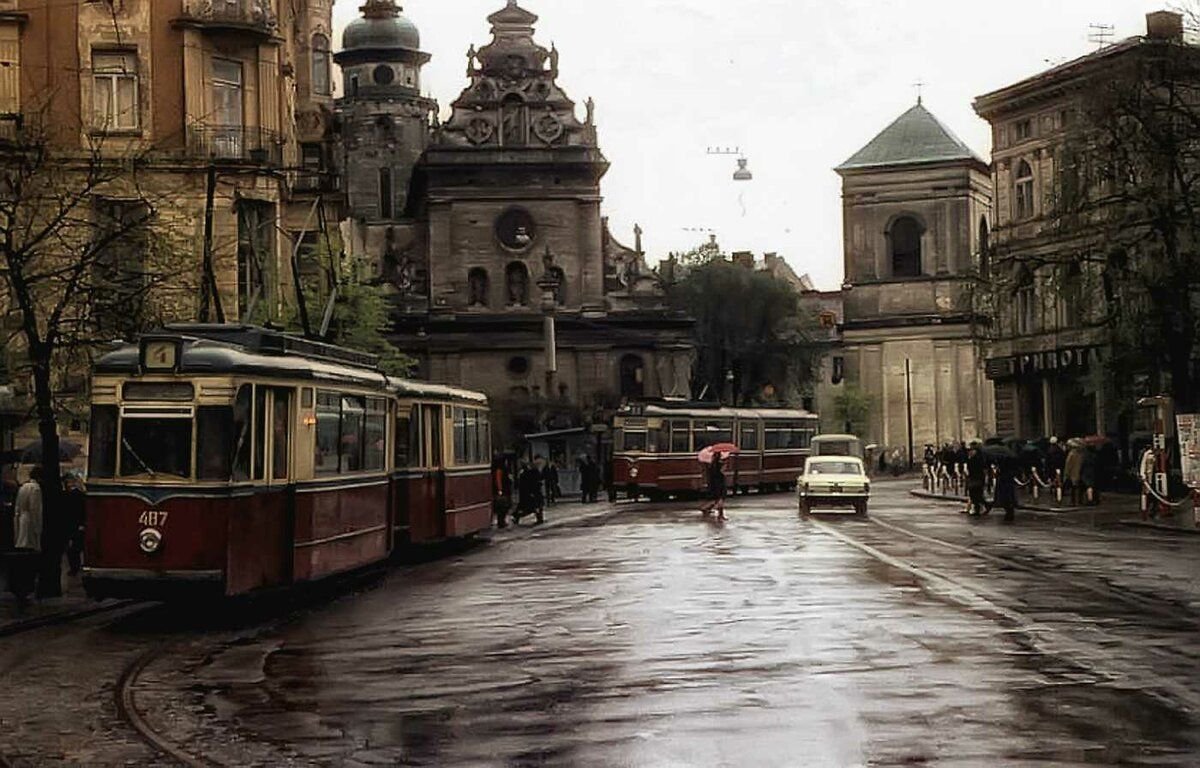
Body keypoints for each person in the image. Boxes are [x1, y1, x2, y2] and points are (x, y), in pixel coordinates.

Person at [10, 466, 43, 608]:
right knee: (30, 559)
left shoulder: (23, 487)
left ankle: (19, 589)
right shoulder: (35, 489)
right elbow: (36, 510)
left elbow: (17, 508)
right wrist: (38, 529)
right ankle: (26, 588)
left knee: (21, 557)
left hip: (21, 522)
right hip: (29, 524)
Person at [62, 473, 86, 576]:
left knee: (73, 549)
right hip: (77, 524)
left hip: (72, 525)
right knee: (76, 548)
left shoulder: (68, 495)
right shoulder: (80, 495)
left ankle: (74, 568)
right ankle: (76, 567)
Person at [699, 452, 728, 521]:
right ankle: (720, 515)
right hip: (720, 483)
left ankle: (706, 508)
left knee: (716, 499)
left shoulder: (712, 464)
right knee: (720, 499)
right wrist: (724, 466)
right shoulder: (719, 464)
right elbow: (721, 472)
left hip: (714, 484)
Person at [964, 443, 989, 516]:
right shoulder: (970, 459)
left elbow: (984, 468)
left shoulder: (979, 459)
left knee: (977, 494)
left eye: (971, 450)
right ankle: (979, 508)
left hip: (978, 478)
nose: (970, 452)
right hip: (972, 478)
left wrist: (985, 477)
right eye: (969, 451)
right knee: (973, 494)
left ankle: (981, 507)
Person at [993, 453, 1019, 522]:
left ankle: (1009, 512)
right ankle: (1010, 511)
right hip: (1007, 484)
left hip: (1004, 483)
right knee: (1008, 498)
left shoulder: (1004, 466)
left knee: (1005, 498)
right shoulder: (1011, 467)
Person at [492, 457, 513, 529]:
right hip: (503, 491)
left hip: (504, 490)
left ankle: (501, 521)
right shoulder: (500, 469)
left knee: (503, 507)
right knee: (502, 507)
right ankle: (501, 522)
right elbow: (498, 480)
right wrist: (500, 490)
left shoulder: (501, 469)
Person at [1065, 440, 1085, 506]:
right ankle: (1080, 500)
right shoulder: (1081, 454)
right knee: (1079, 487)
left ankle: (1073, 502)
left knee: (1073, 488)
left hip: (1073, 473)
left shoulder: (1071, 454)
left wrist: (1066, 473)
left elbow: (1068, 464)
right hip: (1080, 472)